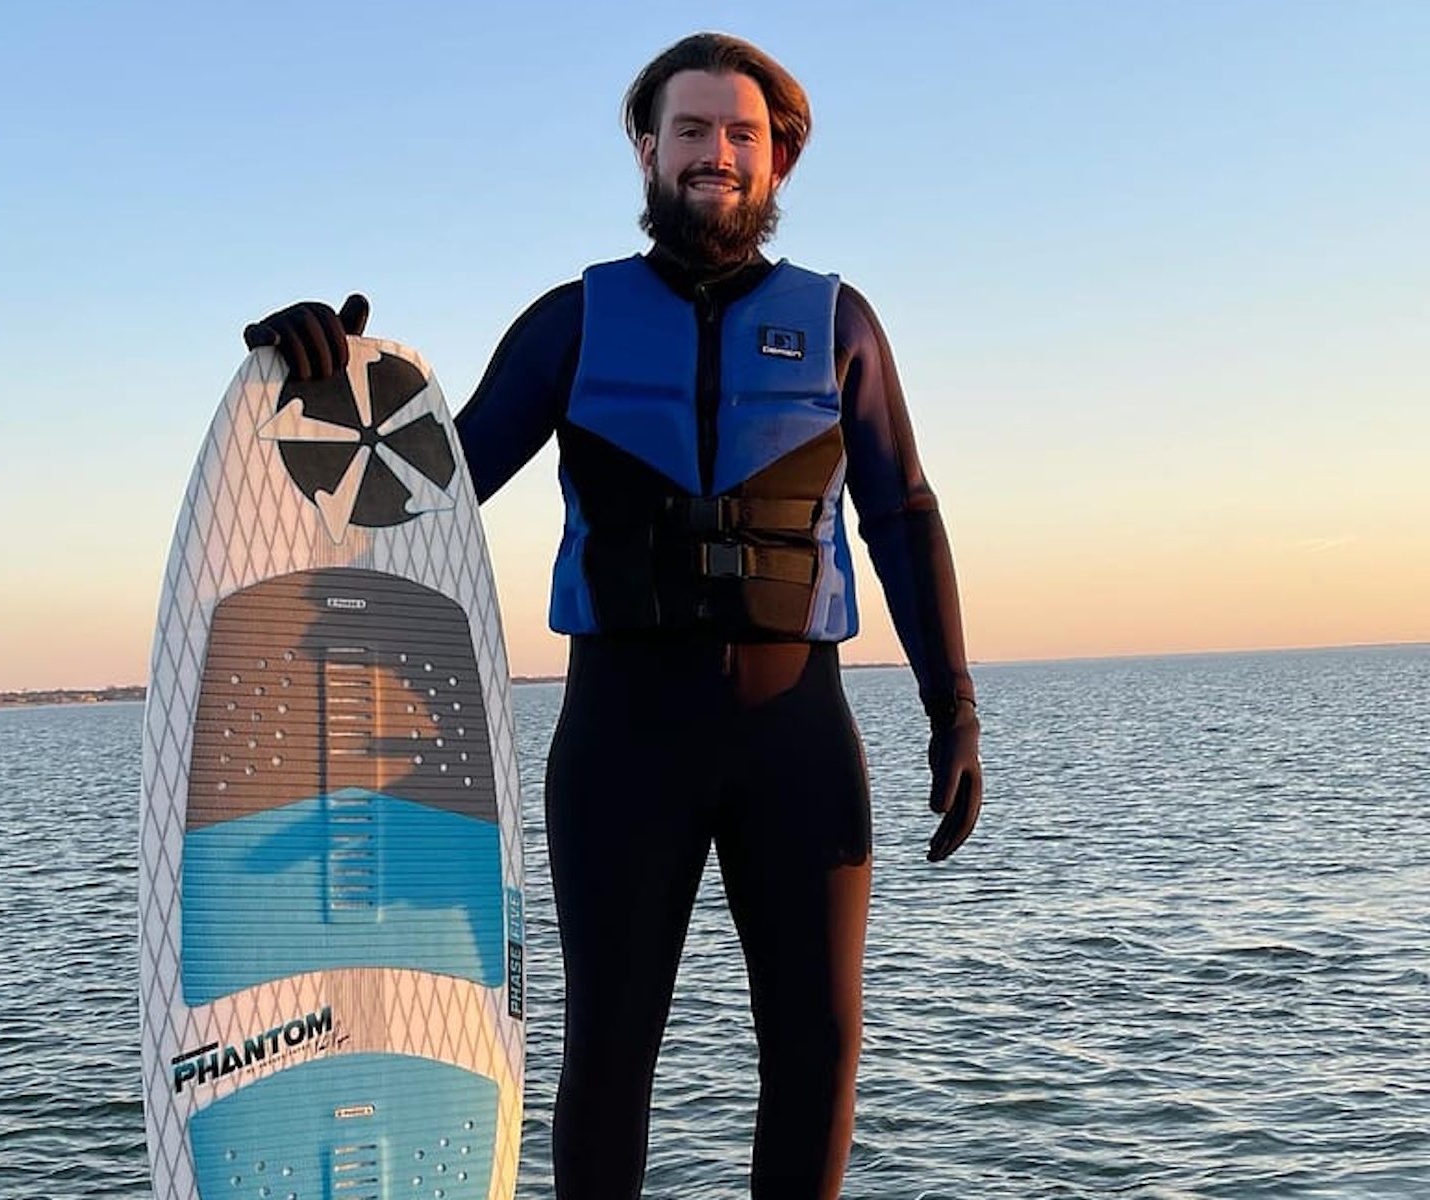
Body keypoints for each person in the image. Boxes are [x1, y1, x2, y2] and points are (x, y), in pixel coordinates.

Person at [244, 31, 983, 1200]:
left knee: (817, 1049)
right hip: (622, 742)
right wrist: (318, 381)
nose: (714, 153)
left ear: (778, 160)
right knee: (609, 1048)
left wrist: (954, 711)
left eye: (739, 133)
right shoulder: (572, 322)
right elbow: (424, 495)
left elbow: (901, 512)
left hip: (796, 736)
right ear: (645, 148)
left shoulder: (839, 323)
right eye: (689, 129)